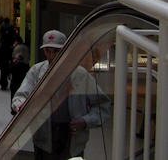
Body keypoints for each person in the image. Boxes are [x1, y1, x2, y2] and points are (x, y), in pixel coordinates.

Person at [11, 30, 110, 159]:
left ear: (65, 51)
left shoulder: (80, 75)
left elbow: (103, 106)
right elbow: (21, 95)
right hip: (43, 139)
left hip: (73, 141)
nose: (51, 56)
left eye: (56, 51)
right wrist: (20, 105)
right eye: (48, 51)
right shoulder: (36, 72)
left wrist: (85, 121)